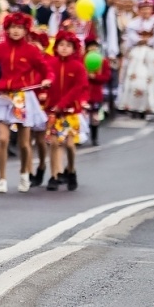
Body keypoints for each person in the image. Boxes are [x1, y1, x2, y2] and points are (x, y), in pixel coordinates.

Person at [0, 12, 51, 193]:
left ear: (25, 30)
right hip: (2, 97)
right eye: (12, 27)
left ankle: (24, 173)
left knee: (24, 143)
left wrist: (47, 80)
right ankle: (1, 178)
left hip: (23, 97)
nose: (16, 31)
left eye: (20, 28)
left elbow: (46, 70)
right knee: (3, 139)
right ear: (7, 29)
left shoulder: (31, 50)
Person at [42, 31, 89, 190]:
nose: (64, 48)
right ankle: (54, 175)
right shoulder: (51, 64)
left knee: (69, 145)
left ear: (74, 49)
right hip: (53, 112)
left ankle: (72, 170)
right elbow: (46, 80)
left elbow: (78, 88)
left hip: (69, 112)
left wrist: (62, 104)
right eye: (61, 45)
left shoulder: (78, 67)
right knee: (54, 144)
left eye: (68, 46)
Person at [116, 0, 154, 118]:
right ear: (139, 10)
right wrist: (140, 40)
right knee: (136, 79)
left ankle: (152, 105)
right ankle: (134, 105)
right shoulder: (134, 24)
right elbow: (130, 38)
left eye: (148, 9)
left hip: (152, 54)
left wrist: (149, 41)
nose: (145, 11)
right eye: (143, 9)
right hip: (137, 55)